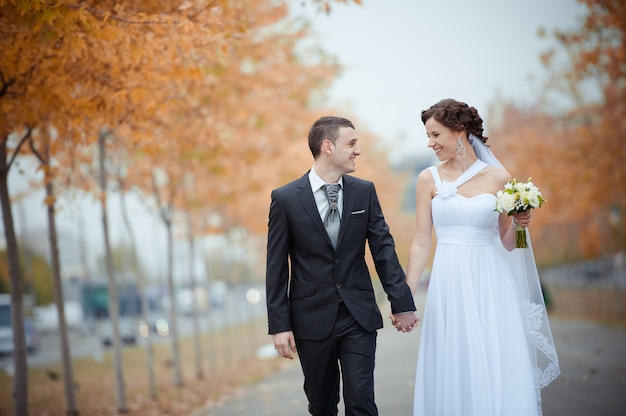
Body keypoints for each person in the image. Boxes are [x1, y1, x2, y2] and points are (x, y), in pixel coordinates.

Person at [401, 99, 560, 416]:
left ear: (459, 131)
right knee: (453, 357)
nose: (431, 143)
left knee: (493, 354)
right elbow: (421, 242)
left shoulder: (499, 179)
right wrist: (405, 297)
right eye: (428, 137)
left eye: (435, 135)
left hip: (490, 282)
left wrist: (518, 224)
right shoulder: (427, 180)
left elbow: (509, 243)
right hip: (448, 282)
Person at [266, 115, 419, 416]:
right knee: (322, 407)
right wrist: (279, 325)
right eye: (351, 144)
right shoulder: (285, 199)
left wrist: (402, 302)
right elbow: (276, 266)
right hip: (311, 319)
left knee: (361, 402)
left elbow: (383, 250)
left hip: (357, 315)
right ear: (327, 147)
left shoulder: (364, 191)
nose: (357, 151)